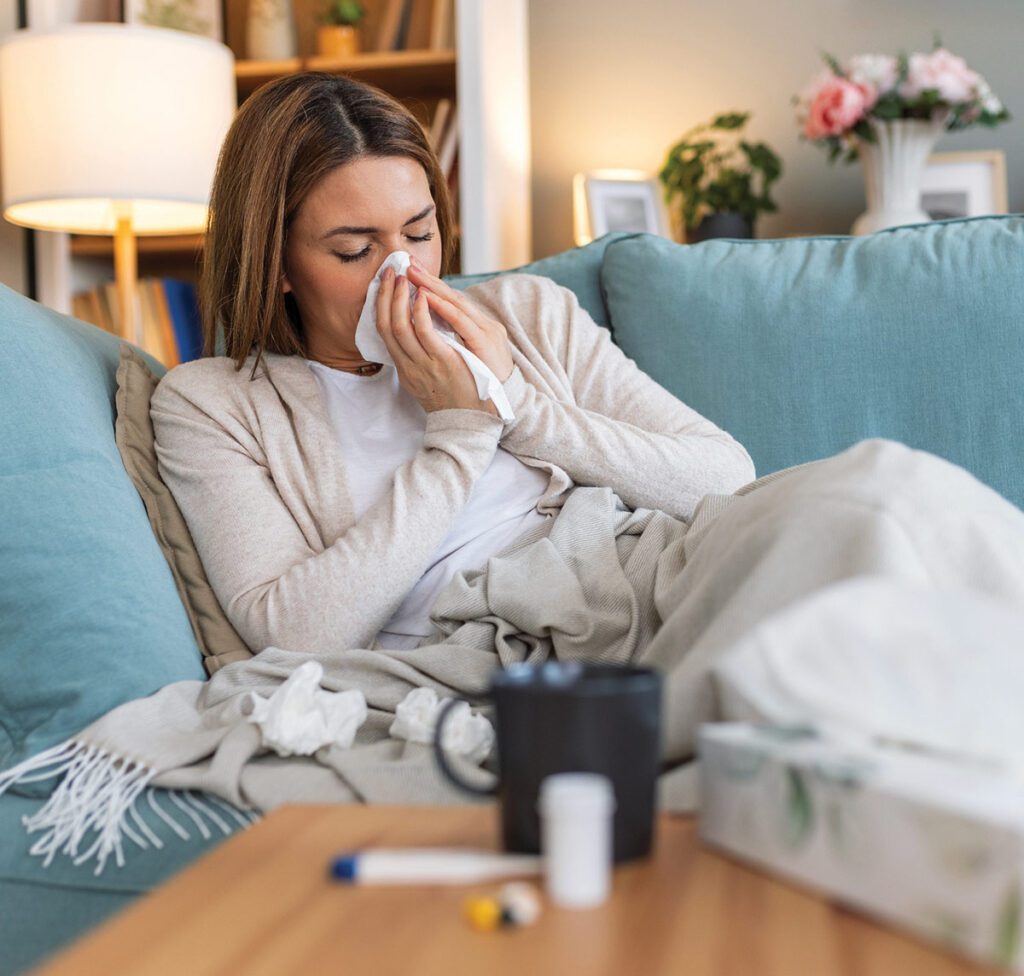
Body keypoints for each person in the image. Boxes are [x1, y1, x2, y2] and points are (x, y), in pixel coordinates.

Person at [150, 72, 756, 658]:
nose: (404, 272)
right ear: (276, 263)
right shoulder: (213, 404)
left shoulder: (526, 312)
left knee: (839, 507)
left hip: (663, 567)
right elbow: (297, 632)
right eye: (355, 250)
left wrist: (513, 400)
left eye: (419, 233)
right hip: (517, 639)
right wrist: (460, 431)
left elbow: (726, 478)